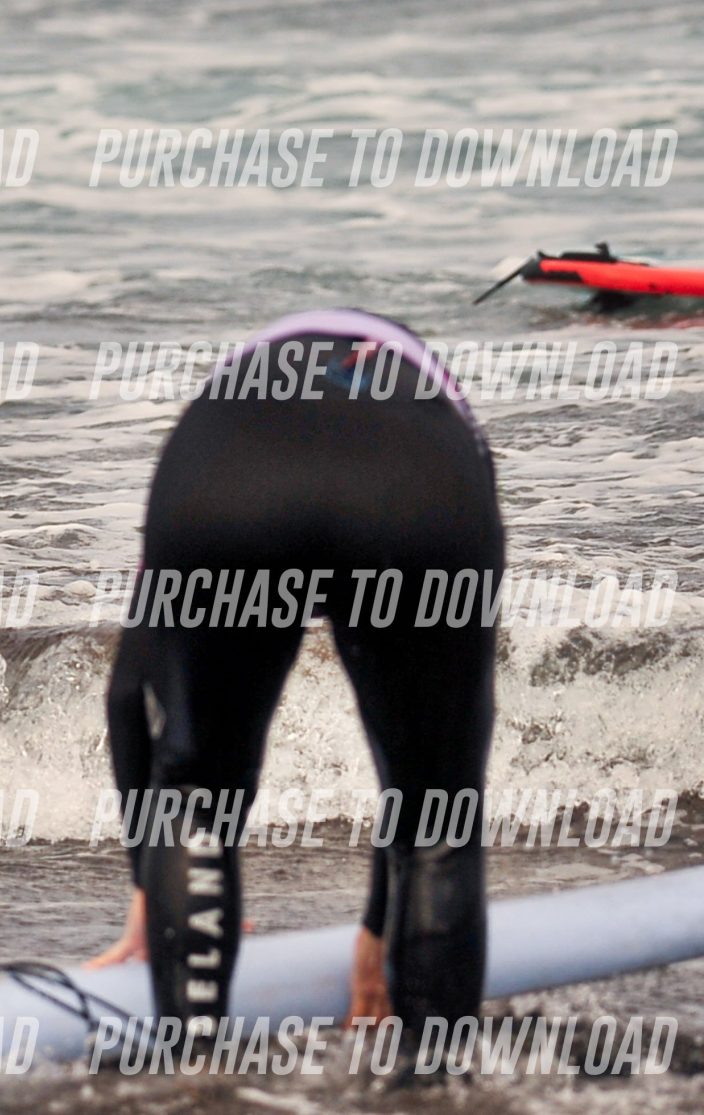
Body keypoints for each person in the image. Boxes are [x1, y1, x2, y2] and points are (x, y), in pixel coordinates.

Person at [89, 310, 504, 1050]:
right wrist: (376, 930)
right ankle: (432, 1081)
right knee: (438, 810)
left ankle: (193, 1075)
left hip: (228, 474)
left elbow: (128, 693)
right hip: (415, 483)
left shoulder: (225, 400)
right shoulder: (445, 411)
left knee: (197, 797)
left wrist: (152, 881)